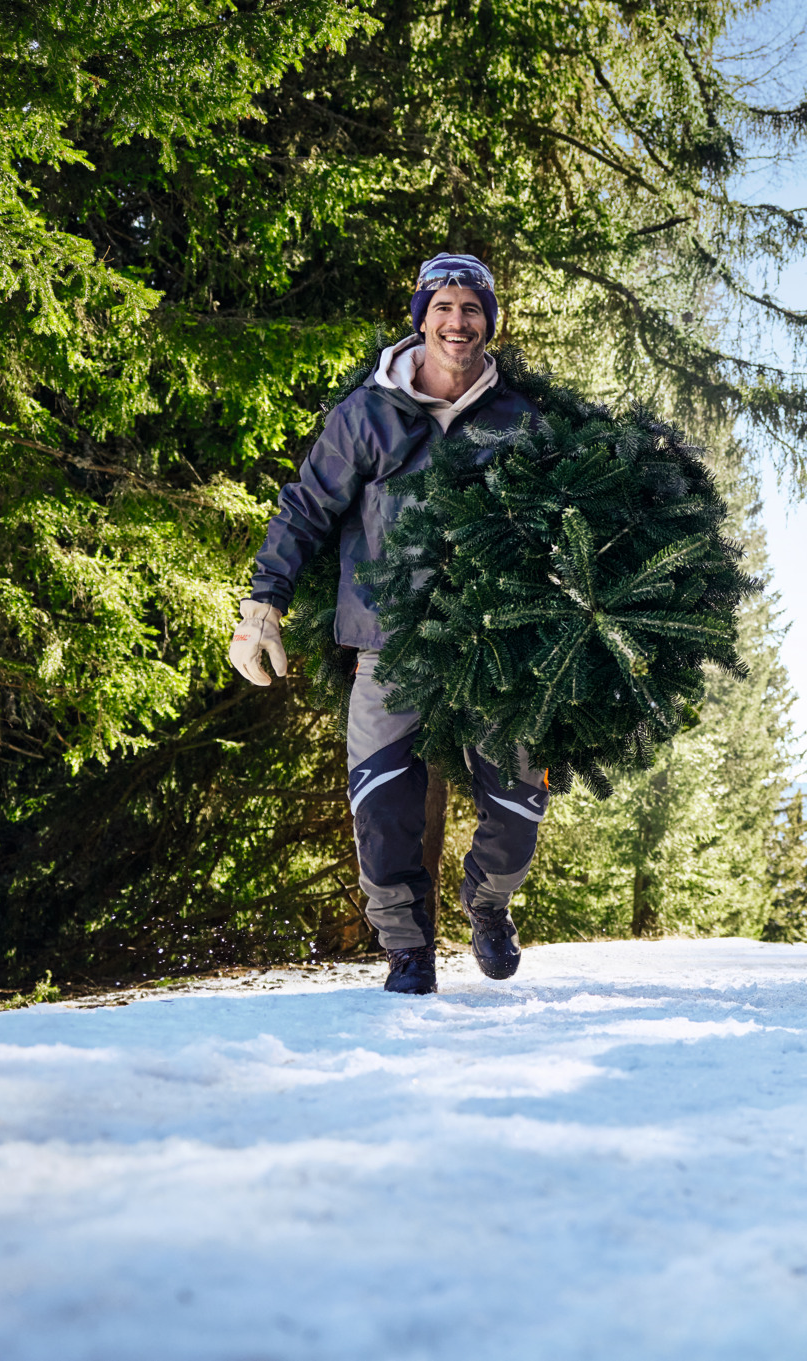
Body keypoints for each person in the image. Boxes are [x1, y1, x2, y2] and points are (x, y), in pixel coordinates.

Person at [227, 253, 548, 996]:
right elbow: (305, 507)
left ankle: (490, 902)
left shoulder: (518, 422)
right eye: (444, 307)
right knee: (381, 805)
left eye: (473, 309)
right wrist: (262, 605)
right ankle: (408, 949)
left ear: (488, 323)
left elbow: (556, 523)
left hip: (494, 648)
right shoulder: (368, 414)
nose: (458, 321)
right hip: (387, 643)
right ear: (421, 317)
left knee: (518, 808)